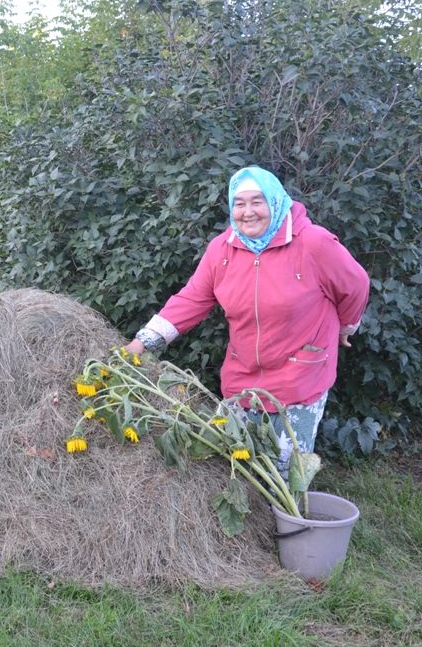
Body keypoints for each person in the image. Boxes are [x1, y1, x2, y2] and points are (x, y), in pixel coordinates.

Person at [123, 166, 370, 473]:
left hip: (298, 380)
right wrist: (141, 343)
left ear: (275, 201)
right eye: (239, 203)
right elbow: (191, 299)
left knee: (282, 475)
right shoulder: (222, 250)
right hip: (242, 379)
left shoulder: (313, 244)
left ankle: (288, 521)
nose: (248, 212)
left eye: (257, 201)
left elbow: (355, 285)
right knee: (234, 468)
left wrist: (347, 326)